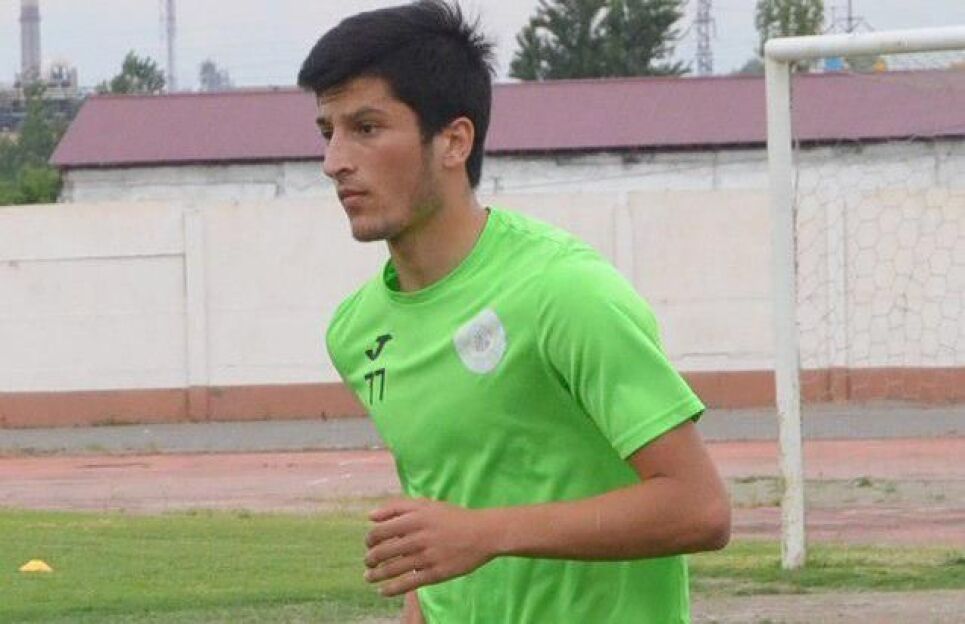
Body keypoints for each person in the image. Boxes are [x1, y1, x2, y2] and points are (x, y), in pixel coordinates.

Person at [298, 1, 731, 622]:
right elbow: (442, 501)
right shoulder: (356, 331)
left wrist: (486, 533)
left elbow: (700, 509)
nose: (334, 161)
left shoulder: (565, 292)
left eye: (366, 128)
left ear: (453, 141)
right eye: (327, 132)